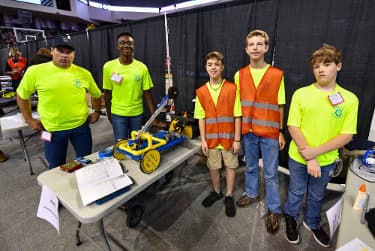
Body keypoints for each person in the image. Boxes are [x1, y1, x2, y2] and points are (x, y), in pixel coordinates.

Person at [283, 44, 358, 247]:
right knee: (297, 191)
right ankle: (290, 217)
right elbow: (293, 126)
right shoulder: (301, 94)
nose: (321, 69)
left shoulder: (350, 99)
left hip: (325, 160)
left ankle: (312, 221)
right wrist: (310, 157)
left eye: (327, 64)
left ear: (338, 66)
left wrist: (315, 154)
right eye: (316, 66)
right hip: (299, 156)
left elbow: (346, 135)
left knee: (317, 194)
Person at [16, 36, 102, 169]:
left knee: (86, 161)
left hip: (81, 127)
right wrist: (29, 120)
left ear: (74, 54)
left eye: (69, 52)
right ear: (51, 51)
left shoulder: (84, 73)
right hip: (51, 129)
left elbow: (96, 94)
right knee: (55, 166)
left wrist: (97, 111)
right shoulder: (35, 71)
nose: (65, 55)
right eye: (60, 51)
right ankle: (57, 190)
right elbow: (22, 96)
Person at [235, 30, 286, 233]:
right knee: (250, 167)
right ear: (246, 49)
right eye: (251, 44)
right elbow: (238, 106)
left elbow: (280, 105)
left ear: (266, 48)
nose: (255, 47)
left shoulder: (277, 74)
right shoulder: (239, 75)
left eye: (259, 44)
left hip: (270, 133)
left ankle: (273, 210)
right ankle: (252, 192)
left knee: (272, 173)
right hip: (248, 130)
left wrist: (280, 131)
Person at [194, 51, 241, 217]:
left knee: (231, 166)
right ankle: (216, 191)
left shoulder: (232, 88)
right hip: (212, 139)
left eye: (216, 64)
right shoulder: (201, 92)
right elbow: (201, 118)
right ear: (206, 68)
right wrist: (203, 140)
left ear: (222, 67)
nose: (213, 67)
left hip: (229, 138)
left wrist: (237, 139)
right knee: (213, 167)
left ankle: (228, 194)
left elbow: (237, 115)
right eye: (209, 64)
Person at [103, 32, 164, 141]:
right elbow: (107, 93)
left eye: (129, 43)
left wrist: (153, 117)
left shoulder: (141, 67)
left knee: (136, 142)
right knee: (121, 144)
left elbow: (147, 93)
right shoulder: (108, 67)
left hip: (137, 114)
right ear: (118, 46)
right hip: (118, 113)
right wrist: (109, 113)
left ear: (133, 46)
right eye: (122, 43)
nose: (126, 45)